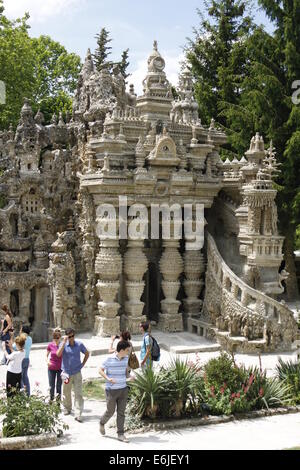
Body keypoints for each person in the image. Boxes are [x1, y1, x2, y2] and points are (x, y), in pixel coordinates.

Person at [99, 340, 131, 443]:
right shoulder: (109, 359)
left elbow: (126, 372)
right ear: (121, 350)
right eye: (127, 350)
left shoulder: (126, 359)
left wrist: (130, 377)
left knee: (121, 412)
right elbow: (100, 370)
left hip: (123, 389)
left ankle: (120, 434)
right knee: (110, 411)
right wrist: (108, 379)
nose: (128, 352)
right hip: (111, 390)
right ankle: (102, 422)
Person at [56, 328, 90, 422]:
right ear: (66, 336)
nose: (71, 338)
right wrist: (63, 342)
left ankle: (78, 413)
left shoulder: (79, 344)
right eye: (69, 336)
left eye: (72, 336)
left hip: (77, 372)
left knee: (78, 393)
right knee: (66, 392)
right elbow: (58, 354)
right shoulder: (63, 345)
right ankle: (67, 408)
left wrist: (83, 364)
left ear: (74, 335)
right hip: (66, 373)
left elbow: (87, 353)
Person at [47, 329, 63, 401]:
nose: (56, 339)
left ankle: (58, 403)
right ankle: (51, 400)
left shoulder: (62, 345)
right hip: (51, 367)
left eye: (57, 338)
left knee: (59, 386)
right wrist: (47, 361)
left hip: (60, 368)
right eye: (55, 338)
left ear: (60, 338)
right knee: (51, 385)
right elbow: (46, 355)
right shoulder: (50, 345)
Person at [19, 324, 32, 396]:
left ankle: (21, 395)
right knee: (25, 377)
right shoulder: (30, 338)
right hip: (27, 359)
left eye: (21, 329)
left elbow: (15, 346)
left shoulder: (22, 338)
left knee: (20, 378)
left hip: (21, 359)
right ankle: (28, 394)